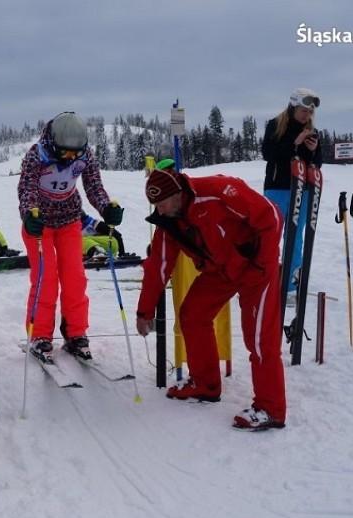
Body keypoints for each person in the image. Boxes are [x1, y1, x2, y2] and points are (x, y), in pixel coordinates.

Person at [135, 168, 287, 431]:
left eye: (161, 204)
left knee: (259, 339)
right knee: (192, 315)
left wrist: (260, 263)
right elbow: (158, 266)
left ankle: (270, 408)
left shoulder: (218, 192)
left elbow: (271, 215)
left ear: (178, 195)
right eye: (155, 206)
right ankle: (205, 384)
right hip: (220, 271)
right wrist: (144, 312)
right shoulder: (170, 221)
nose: (159, 211)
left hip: (256, 268)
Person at [17, 112, 123, 362]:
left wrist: (106, 208)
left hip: (69, 221)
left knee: (75, 277)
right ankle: (40, 335)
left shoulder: (85, 155)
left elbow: (94, 186)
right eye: (64, 153)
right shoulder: (37, 154)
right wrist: (28, 214)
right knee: (46, 278)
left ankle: (76, 333)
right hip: (39, 223)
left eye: (74, 154)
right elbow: (26, 188)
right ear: (54, 143)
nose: (70, 158)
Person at [261, 87, 322, 295]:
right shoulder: (276, 125)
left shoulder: (312, 131)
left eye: (310, 112)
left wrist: (312, 152)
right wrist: (293, 143)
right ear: (293, 107)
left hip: (302, 190)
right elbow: (268, 154)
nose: (306, 116)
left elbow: (317, 163)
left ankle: (290, 286)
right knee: (270, 234)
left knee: (295, 237)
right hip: (277, 188)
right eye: (303, 111)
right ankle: (264, 279)